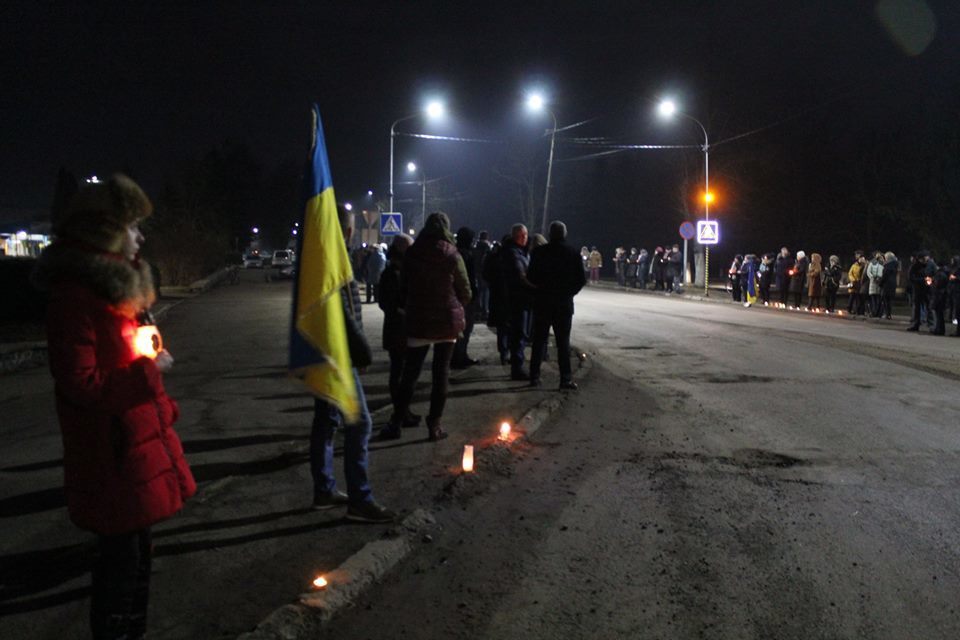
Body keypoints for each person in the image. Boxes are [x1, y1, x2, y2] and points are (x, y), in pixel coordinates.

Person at [33, 174, 196, 639]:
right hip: (112, 456)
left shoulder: (118, 296)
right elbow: (80, 383)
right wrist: (150, 375)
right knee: (119, 572)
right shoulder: (76, 301)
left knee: (138, 563)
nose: (140, 236)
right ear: (104, 230)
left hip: (135, 446)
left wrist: (159, 404)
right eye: (132, 226)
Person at [311, 205, 395, 523]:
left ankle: (324, 489)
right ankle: (360, 499)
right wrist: (362, 353)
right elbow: (343, 314)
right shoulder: (334, 260)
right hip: (338, 356)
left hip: (324, 353)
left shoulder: (322, 257)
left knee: (326, 420)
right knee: (360, 424)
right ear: (347, 231)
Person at [383, 212, 471, 441]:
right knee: (440, 375)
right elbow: (466, 290)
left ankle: (396, 423)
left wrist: (410, 304)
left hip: (418, 320)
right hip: (446, 323)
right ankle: (434, 426)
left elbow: (403, 288)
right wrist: (455, 306)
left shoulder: (412, 253)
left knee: (410, 374)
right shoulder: (452, 253)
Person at [527, 221, 586, 390]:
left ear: (550, 233)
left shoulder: (539, 252)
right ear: (564, 234)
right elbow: (581, 280)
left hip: (543, 302)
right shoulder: (573, 253)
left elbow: (531, 276)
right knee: (563, 343)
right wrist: (569, 293)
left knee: (539, 341)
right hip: (563, 304)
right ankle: (565, 379)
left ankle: (534, 377)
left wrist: (540, 290)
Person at [378, 233, 420, 429]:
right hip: (397, 330)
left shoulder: (399, 270)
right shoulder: (391, 273)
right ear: (402, 249)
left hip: (403, 329)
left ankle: (404, 411)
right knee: (399, 373)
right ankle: (400, 413)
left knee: (403, 373)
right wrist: (403, 311)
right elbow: (387, 303)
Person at [502, 224, 534, 380]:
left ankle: (518, 364)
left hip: (522, 298)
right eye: (522, 235)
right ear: (514, 236)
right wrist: (536, 287)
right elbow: (520, 276)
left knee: (520, 333)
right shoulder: (513, 253)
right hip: (517, 298)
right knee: (518, 333)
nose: (525, 238)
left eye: (526, 235)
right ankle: (517, 367)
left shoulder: (521, 252)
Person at [451, 226, 480, 369]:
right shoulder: (465, 255)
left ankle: (460, 355)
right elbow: (468, 278)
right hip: (465, 297)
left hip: (458, 296)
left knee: (460, 328)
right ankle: (459, 357)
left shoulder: (456, 252)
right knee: (464, 328)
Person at [474, 230, 492, 321]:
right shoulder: (487, 247)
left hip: (477, 271)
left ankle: (478, 310)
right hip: (485, 272)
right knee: (486, 292)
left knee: (479, 291)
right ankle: (485, 311)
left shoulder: (476, 247)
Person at [879, 251, 899, 319]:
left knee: (885, 300)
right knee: (889, 300)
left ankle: (887, 314)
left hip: (886, 285)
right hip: (893, 284)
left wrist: (880, 283)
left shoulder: (887, 266)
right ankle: (889, 314)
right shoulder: (895, 265)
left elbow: (884, 276)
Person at [866, 251, 885, 317]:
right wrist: (872, 277)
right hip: (873, 282)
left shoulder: (883, 263)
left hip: (879, 282)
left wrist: (880, 278)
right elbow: (868, 271)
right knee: (873, 298)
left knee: (878, 298)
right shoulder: (872, 262)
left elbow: (884, 272)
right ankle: (873, 312)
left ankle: (878, 313)